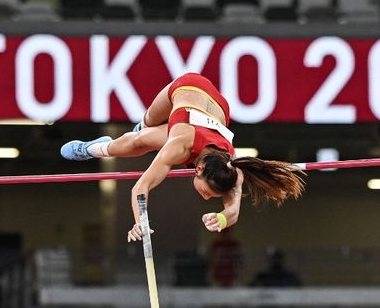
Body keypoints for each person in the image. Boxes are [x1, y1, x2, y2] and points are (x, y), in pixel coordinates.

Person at [61, 73, 305, 242]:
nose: (208, 197)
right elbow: (141, 186)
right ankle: (94, 148)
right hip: (187, 88)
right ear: (198, 170)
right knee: (139, 138)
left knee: (144, 138)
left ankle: (130, 136)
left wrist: (221, 217)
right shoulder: (178, 145)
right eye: (210, 193)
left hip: (216, 106)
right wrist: (140, 222)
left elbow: (233, 211)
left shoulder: (232, 169)